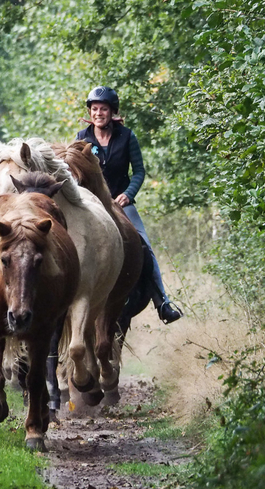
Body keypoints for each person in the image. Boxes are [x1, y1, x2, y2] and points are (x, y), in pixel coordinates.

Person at [76, 85, 182, 324]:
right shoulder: (82, 138)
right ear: (90, 112)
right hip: (90, 203)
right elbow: (74, 172)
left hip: (120, 203)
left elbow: (139, 171)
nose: (98, 113)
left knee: (144, 242)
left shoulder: (127, 136)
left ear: (112, 112)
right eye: (94, 109)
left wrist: (128, 193)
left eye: (103, 109)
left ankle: (162, 301)